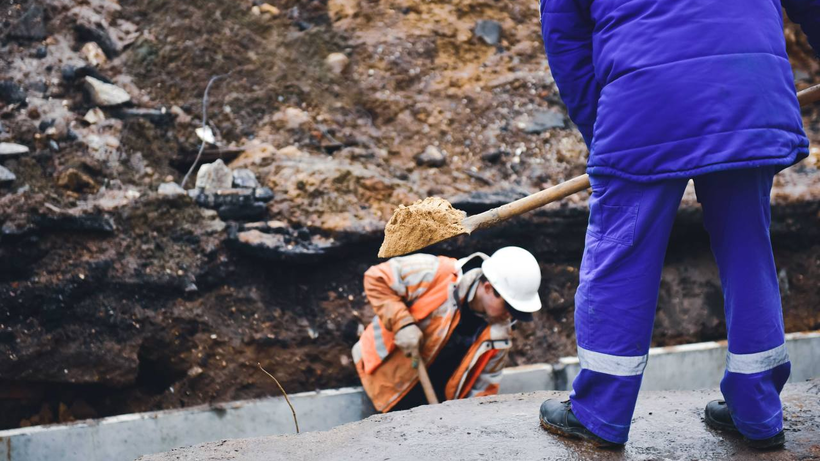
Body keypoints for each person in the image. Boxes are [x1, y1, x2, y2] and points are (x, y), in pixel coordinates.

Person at [537, 0, 815, 450]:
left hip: (645, 99)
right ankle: (758, 409)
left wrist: (608, 130)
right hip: (750, 92)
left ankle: (600, 410)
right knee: (748, 245)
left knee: (621, 249)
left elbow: (565, 39)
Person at [351, 247, 542, 411]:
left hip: (433, 406)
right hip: (381, 380)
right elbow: (377, 278)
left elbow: (483, 389)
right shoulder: (435, 273)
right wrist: (403, 324)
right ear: (488, 288)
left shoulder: (499, 334)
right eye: (508, 308)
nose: (509, 316)